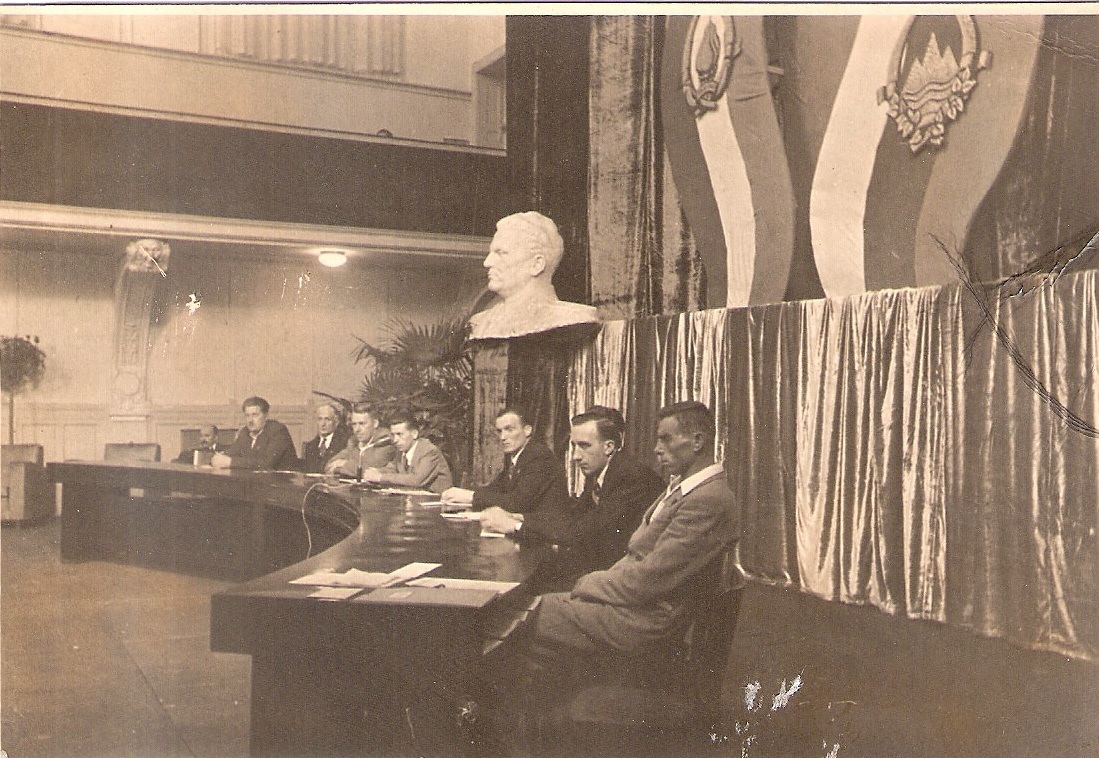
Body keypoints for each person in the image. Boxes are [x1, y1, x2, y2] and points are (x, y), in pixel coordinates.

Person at [529, 401, 739, 658]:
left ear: (697, 441)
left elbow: (649, 579)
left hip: (647, 620)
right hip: (637, 605)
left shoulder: (707, 499)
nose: (657, 449)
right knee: (534, 608)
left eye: (666, 439)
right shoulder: (685, 488)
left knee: (526, 614)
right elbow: (639, 558)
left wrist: (586, 584)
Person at [480, 406, 665, 587]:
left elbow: (582, 532)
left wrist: (515, 526)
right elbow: (572, 516)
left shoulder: (631, 478)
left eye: (584, 446)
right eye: (574, 446)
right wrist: (518, 517)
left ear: (609, 447)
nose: (576, 456)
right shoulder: (600, 471)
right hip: (603, 567)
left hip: (627, 579)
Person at [468, 211, 599, 340]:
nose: (487, 262)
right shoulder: (478, 324)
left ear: (537, 264)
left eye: (501, 253)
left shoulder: (575, 319)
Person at [441, 407, 566, 514]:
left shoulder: (539, 457)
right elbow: (494, 489)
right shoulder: (517, 457)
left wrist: (470, 496)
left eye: (509, 430)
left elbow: (518, 503)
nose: (502, 437)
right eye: (499, 431)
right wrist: (461, 495)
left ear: (527, 430)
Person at [361, 414, 453, 494]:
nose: (395, 440)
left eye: (400, 434)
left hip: (437, 501)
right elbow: (392, 469)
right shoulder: (401, 450)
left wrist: (380, 477)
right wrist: (376, 471)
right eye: (393, 435)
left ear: (414, 434)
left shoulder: (429, 451)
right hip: (415, 499)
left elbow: (416, 480)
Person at [211, 396, 298, 471]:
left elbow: (266, 464)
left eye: (255, 415)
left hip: (282, 482)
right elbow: (232, 452)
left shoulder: (278, 431)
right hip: (256, 481)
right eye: (247, 415)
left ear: (266, 416)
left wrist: (231, 462)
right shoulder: (245, 432)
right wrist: (219, 457)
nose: (250, 420)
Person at [325, 403, 396, 478]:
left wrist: (344, 464)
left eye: (362, 424)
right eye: (354, 424)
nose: (357, 429)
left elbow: (368, 470)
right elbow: (330, 465)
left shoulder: (386, 442)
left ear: (375, 423)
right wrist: (350, 466)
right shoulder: (353, 441)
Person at [300, 403, 351, 474]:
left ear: (336, 422)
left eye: (327, 419)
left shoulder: (344, 444)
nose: (323, 424)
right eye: (320, 419)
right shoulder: (309, 446)